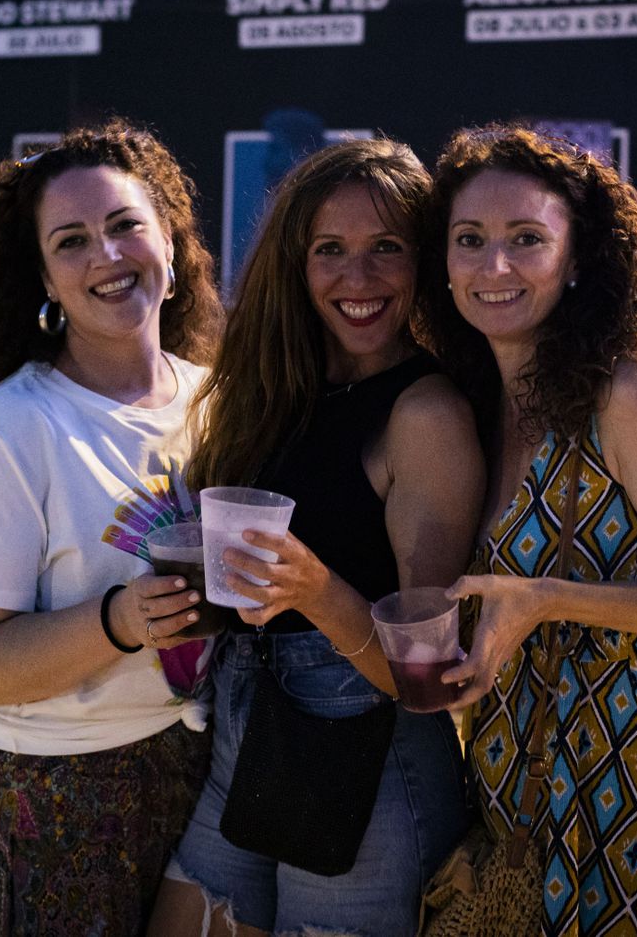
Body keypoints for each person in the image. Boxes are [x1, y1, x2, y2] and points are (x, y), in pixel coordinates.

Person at [0, 122, 225, 936]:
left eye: (124, 226)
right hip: (32, 808)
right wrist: (119, 621)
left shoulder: (224, 402)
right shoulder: (8, 432)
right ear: (43, 278)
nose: (106, 256)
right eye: (71, 242)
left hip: (188, 788)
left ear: (172, 246)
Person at [431, 125, 637, 936]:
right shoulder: (470, 401)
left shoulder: (628, 392)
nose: (493, 266)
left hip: (620, 772)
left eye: (527, 240)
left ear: (576, 260)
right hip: (509, 769)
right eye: (470, 239)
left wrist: (548, 598)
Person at [148, 138, 481, 937]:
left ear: (424, 262)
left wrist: (315, 589)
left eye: (386, 250)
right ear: (295, 264)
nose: (356, 279)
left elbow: (426, 681)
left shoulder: (426, 414)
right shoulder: (278, 391)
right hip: (249, 729)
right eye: (329, 250)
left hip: (373, 765)